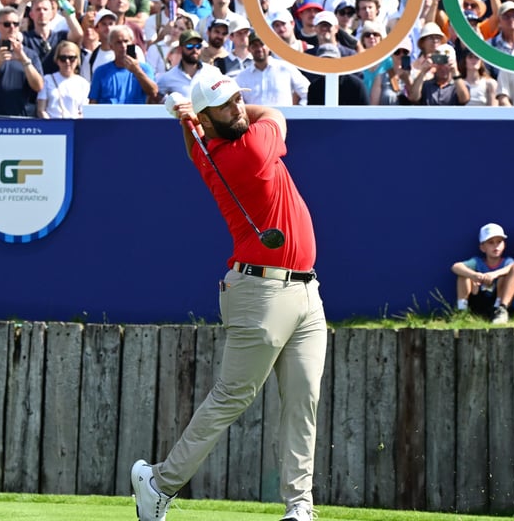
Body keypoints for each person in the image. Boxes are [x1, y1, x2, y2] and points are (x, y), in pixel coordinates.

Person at [136, 72, 326, 521]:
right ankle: (159, 484)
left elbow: (196, 148)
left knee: (304, 399)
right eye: (226, 105)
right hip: (261, 294)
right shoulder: (252, 149)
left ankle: (299, 506)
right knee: (232, 397)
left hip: (306, 291)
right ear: (208, 119)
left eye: (239, 98)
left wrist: (190, 120)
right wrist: (193, 117)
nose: (239, 107)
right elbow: (273, 113)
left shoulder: (210, 151)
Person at [450, 223, 514, 316]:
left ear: (504, 245)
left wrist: (494, 274)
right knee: (463, 276)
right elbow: (456, 267)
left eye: (499, 242)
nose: (496, 246)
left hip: (497, 298)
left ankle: (498, 310)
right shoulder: (477, 261)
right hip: (478, 298)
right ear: (482, 247)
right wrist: (474, 275)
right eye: (491, 242)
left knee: (504, 277)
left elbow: (513, 268)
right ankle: (462, 311)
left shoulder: (507, 261)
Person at [90, 25, 158, 104]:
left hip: (135, 112)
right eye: (118, 42)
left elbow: (153, 92)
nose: (123, 46)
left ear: (132, 43)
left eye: (126, 41)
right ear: (111, 46)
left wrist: (137, 71)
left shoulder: (145, 69)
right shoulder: (101, 72)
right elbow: (93, 102)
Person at [36, 39, 89, 119]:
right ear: (57, 60)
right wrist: (50, 124)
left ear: (77, 60)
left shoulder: (83, 83)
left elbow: (83, 112)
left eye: (71, 58)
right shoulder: (47, 80)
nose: (67, 62)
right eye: (63, 58)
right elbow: (41, 110)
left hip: (74, 123)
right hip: (52, 123)